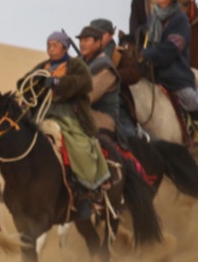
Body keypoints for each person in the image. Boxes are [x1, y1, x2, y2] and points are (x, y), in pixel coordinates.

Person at [19, 31, 110, 219]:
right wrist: (37, 82)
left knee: (79, 147)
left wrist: (56, 82)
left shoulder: (75, 64)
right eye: (48, 45)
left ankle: (86, 193)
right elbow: (22, 83)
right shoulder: (43, 66)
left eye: (55, 45)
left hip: (68, 114)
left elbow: (85, 83)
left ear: (64, 47)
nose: (51, 49)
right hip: (41, 112)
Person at [141, 0, 198, 136]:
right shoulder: (153, 18)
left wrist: (147, 54)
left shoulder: (180, 21)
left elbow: (172, 48)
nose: (159, 0)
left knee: (190, 98)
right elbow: (143, 35)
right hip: (151, 70)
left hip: (174, 70)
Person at [76, 25, 124, 159]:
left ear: (98, 43)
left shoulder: (105, 67)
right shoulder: (78, 62)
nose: (82, 44)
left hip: (101, 118)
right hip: (81, 113)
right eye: (81, 40)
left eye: (86, 40)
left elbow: (87, 96)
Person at [89, 18, 141, 140]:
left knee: (129, 137)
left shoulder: (119, 53)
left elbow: (134, 73)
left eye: (99, 34)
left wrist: (111, 76)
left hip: (115, 101)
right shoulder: (87, 55)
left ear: (109, 35)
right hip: (91, 101)